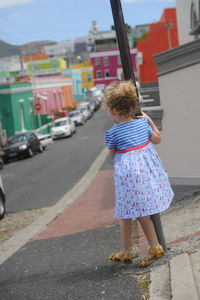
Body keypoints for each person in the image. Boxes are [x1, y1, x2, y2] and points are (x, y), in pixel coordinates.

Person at [104, 81, 174, 267]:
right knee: (142, 213)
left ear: (112, 110)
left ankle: (134, 250)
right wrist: (149, 120)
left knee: (126, 213)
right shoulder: (143, 124)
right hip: (146, 174)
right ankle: (149, 247)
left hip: (127, 177)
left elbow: (113, 154)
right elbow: (157, 140)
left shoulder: (112, 133)